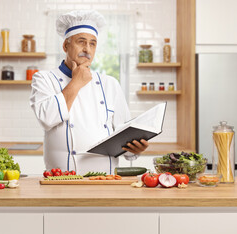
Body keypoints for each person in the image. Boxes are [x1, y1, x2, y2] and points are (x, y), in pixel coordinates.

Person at [30, 10, 148, 175]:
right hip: (62, 180)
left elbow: (123, 135)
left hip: (105, 180)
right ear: (65, 45)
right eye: (81, 42)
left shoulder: (110, 84)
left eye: (93, 43)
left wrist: (134, 148)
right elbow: (47, 118)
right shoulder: (44, 79)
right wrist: (76, 82)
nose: (87, 49)